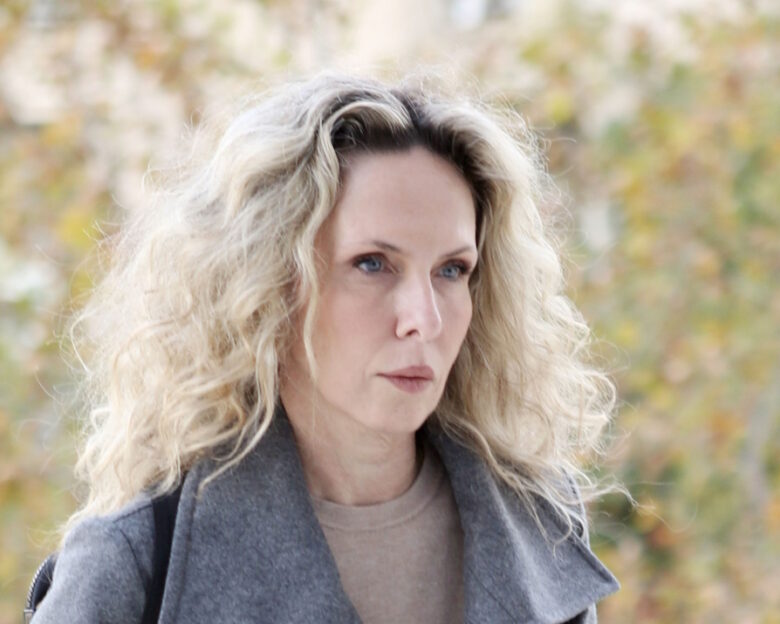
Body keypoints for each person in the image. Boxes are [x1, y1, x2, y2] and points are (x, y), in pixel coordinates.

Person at [31, 72, 619, 623]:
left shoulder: (538, 525)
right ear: (269, 284)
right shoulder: (137, 559)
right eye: (373, 264)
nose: (424, 318)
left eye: (452, 269)